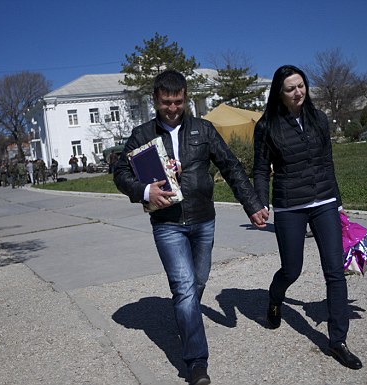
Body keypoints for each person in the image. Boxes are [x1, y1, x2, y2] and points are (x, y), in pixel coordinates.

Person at [114, 70, 268, 385]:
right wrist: (146, 191)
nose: (173, 108)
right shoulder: (142, 134)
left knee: (196, 285)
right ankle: (197, 363)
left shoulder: (203, 130)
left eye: (179, 101)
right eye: (166, 102)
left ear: (186, 97)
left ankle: (186, 320)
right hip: (167, 224)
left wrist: (252, 205)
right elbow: (119, 171)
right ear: (155, 100)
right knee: (184, 289)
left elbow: (231, 167)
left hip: (203, 221)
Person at [252, 65, 362, 370]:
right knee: (292, 269)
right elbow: (260, 169)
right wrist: (260, 202)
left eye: (301, 86)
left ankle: (337, 340)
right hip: (290, 205)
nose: (298, 92)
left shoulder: (318, 118)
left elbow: (327, 162)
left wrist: (338, 205)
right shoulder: (267, 126)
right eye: (290, 88)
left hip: (324, 201)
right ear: (279, 92)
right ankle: (275, 297)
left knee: (335, 271)